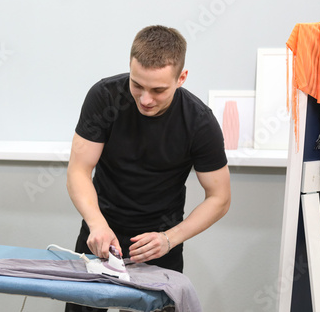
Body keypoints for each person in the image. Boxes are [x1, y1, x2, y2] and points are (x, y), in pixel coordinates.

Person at [65, 25, 231, 312]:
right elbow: (79, 170)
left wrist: (170, 239)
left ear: (181, 78)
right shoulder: (104, 97)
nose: (145, 99)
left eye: (158, 90)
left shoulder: (199, 122)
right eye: (137, 85)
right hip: (100, 232)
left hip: (161, 242)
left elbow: (220, 198)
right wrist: (97, 224)